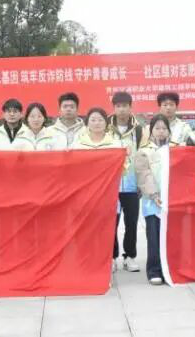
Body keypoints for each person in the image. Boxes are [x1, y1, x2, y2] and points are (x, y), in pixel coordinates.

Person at [72, 108, 126, 273]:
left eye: (100, 120)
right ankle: (84, 259)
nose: (97, 123)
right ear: (87, 122)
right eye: (93, 120)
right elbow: (72, 169)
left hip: (107, 193)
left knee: (107, 227)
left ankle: (108, 259)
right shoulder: (78, 144)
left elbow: (123, 168)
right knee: (85, 228)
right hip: (85, 194)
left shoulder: (115, 143)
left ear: (106, 123)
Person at [134, 114, 176, 285]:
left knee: (172, 236)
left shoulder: (176, 149)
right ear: (151, 131)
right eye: (157, 128)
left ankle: (171, 268)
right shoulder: (144, 151)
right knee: (154, 236)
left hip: (172, 200)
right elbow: (144, 175)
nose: (161, 131)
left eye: (164, 128)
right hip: (153, 202)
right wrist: (154, 195)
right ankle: (154, 270)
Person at [108, 92, 146, 273]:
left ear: (131, 107)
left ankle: (130, 256)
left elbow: (143, 156)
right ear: (114, 108)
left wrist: (141, 182)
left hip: (131, 185)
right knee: (111, 223)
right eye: (118, 106)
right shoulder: (105, 127)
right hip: (110, 185)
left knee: (131, 223)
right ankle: (112, 257)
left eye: (125, 106)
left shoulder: (139, 130)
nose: (121, 109)